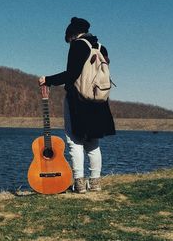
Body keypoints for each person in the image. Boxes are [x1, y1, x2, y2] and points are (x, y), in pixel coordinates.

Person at [39, 17, 116, 194]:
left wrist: (48, 80)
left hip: (78, 100)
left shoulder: (78, 45)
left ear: (71, 34)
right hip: (98, 100)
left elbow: (71, 74)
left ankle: (79, 183)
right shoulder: (100, 47)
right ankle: (95, 182)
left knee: (75, 141)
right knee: (93, 142)